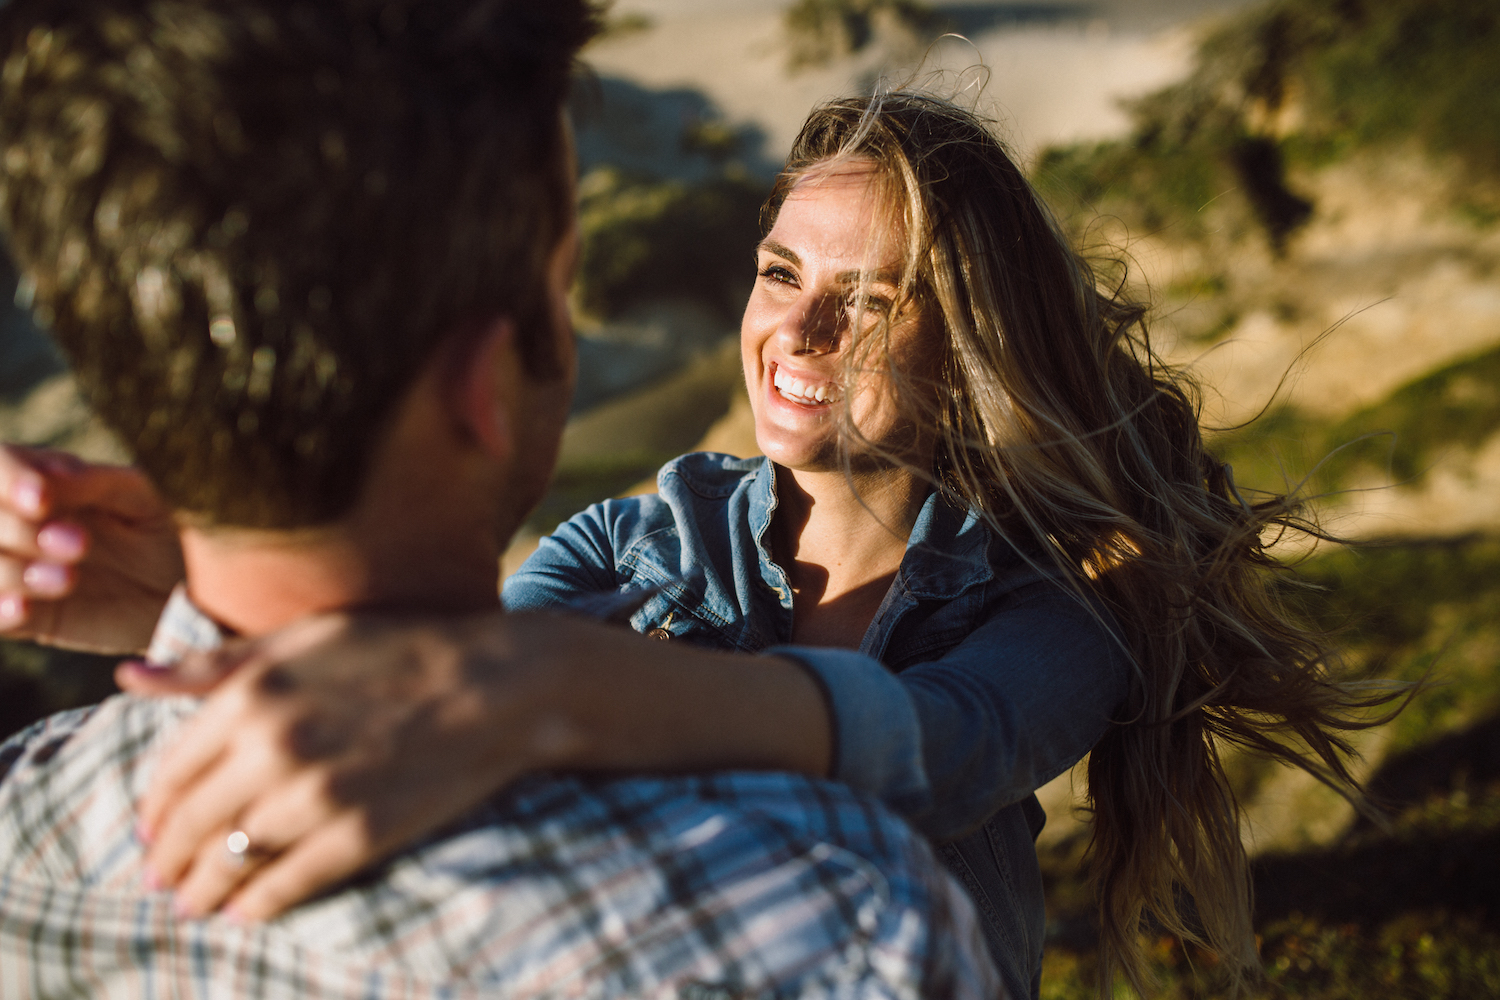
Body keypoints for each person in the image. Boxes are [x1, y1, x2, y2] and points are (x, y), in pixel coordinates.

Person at [0, 56, 1390, 1000]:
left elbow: (944, 752)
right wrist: (174, 591)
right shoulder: (631, 538)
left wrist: (569, 686)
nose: (798, 325)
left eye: (878, 295)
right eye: (781, 270)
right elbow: (424, 701)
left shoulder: (1056, 605)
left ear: (971, 344)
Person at [0, 1, 1003, 997]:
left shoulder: (24, 826)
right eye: (561, 288)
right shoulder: (832, 924)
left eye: (875, 297)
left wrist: (197, 584)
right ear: (482, 389)